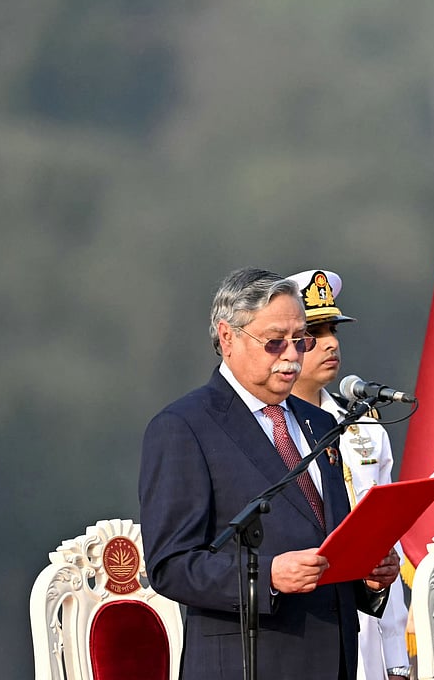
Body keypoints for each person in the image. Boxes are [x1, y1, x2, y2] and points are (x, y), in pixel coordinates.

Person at [139, 267, 400, 680]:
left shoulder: (320, 423)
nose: (292, 355)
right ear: (228, 337)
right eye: (275, 341)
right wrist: (268, 576)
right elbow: (171, 565)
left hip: (335, 660)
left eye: (301, 340)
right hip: (248, 662)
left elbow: (327, 541)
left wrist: (368, 578)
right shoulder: (184, 426)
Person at [286, 268, 412, 680]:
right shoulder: (268, 430)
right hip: (301, 624)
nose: (332, 343)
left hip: (367, 622)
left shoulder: (365, 428)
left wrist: (396, 655)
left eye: (334, 331)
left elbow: (385, 542)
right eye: (314, 333)